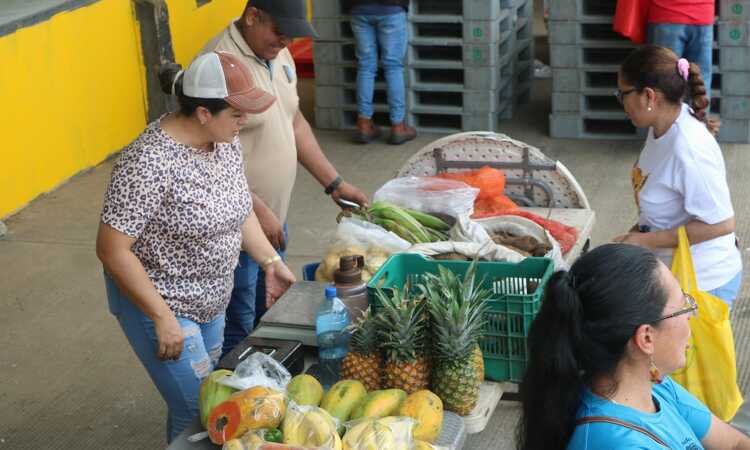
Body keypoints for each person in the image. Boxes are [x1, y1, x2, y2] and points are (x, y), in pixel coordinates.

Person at [96, 51, 296, 442]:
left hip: (211, 300)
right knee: (204, 413)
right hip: (162, 303)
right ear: (204, 112)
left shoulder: (223, 141)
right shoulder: (148, 162)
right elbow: (112, 249)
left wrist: (270, 261)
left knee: (198, 411)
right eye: (237, 114)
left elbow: (239, 211)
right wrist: (161, 316)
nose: (245, 122)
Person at [202, 0, 370, 357]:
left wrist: (334, 184)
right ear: (252, 16)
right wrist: (258, 211)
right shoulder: (221, 66)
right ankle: (233, 400)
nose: (286, 42)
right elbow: (208, 155)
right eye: (280, 32)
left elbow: (293, 122)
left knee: (272, 316)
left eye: (291, 36)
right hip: (237, 230)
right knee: (240, 327)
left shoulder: (277, 54)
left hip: (274, 222)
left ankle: (266, 390)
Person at [517, 243, 750, 450]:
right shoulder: (615, 442)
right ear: (646, 338)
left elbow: (734, 443)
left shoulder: (655, 386)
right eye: (683, 306)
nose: (691, 315)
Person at [612, 45, 742, 308]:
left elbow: (722, 224)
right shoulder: (661, 127)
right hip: (675, 274)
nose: (620, 101)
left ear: (649, 96)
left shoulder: (688, 150)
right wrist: (637, 234)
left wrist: (645, 241)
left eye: (622, 93)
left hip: (704, 285)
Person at [345, 0, 416, 145]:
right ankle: (398, 126)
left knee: (365, 67)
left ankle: (364, 125)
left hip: (359, 9)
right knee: (393, 67)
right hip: (391, 8)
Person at [646, 0, 718, 133]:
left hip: (666, 12)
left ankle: (664, 140)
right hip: (702, 12)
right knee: (700, 83)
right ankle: (698, 139)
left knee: (663, 83)